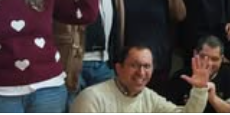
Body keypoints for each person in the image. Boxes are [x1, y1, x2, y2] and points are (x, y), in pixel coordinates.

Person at [71, 46, 209, 113]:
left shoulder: (149, 97)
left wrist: (199, 90)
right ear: (119, 68)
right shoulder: (92, 98)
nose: (141, 73)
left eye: (147, 66)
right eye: (134, 65)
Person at [166, 36, 230, 113]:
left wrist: (212, 98)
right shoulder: (181, 77)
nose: (209, 63)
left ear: (222, 59)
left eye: (215, 59)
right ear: (195, 53)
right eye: (203, 57)